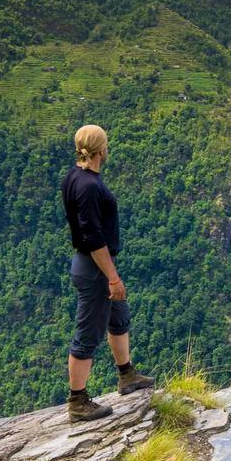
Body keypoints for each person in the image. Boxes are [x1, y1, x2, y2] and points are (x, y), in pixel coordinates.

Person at [62, 124, 153, 421]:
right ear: (102, 149)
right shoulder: (88, 185)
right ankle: (77, 401)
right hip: (95, 268)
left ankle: (126, 374)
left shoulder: (75, 177)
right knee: (88, 333)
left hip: (93, 265)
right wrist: (112, 276)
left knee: (119, 316)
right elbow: (93, 237)